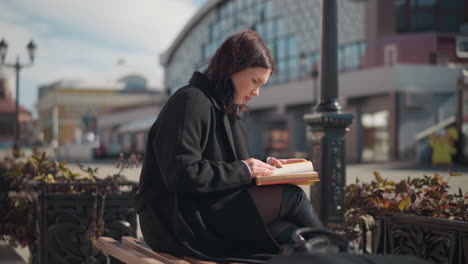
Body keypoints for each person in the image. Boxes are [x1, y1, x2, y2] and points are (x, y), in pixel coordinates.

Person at [134, 30, 322, 263]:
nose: (257, 92)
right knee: (292, 197)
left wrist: (265, 168)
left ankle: (334, 256)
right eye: (255, 81)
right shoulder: (190, 101)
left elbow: (231, 171)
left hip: (206, 210)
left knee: (289, 234)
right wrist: (246, 169)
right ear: (233, 67)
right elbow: (181, 174)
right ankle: (344, 255)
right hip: (176, 219)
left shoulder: (227, 111)